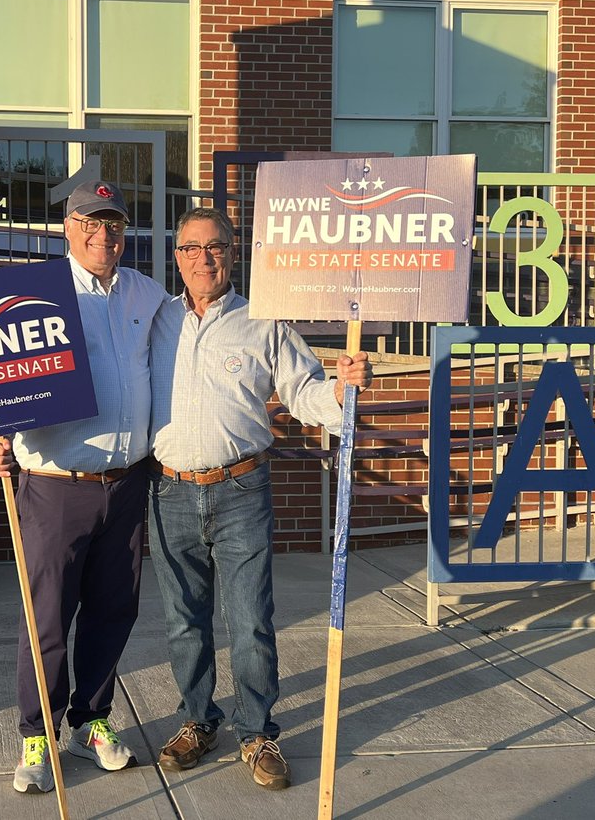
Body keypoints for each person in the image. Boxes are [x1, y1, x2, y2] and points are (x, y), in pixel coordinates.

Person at [148, 206, 373, 790]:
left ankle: (256, 732)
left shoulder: (262, 321)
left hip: (241, 488)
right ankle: (199, 721)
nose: (205, 258)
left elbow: (304, 391)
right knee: (183, 621)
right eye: (192, 248)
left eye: (216, 247)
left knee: (249, 619)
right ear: (177, 257)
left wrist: (343, 388)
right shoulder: (154, 321)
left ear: (233, 251)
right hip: (169, 489)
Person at [0, 180, 168, 795]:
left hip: (127, 482)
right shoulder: (36, 294)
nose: (103, 234)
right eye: (90, 221)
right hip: (55, 485)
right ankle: (39, 734)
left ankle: (91, 722)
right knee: (48, 615)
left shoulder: (148, 293)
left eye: (112, 223)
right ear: (68, 227)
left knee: (114, 610)